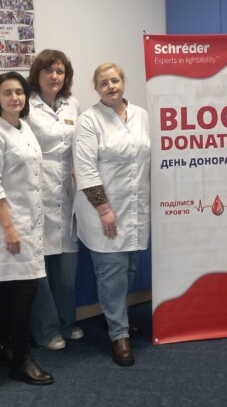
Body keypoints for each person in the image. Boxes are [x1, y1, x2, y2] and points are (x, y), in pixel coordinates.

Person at [0, 71, 53, 385]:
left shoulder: (25, 127)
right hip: (8, 223)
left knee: (11, 289)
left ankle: (0, 348)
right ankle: (20, 359)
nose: (14, 98)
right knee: (24, 289)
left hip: (30, 221)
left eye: (19, 92)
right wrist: (9, 227)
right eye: (7, 92)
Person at [73, 63, 151, 366]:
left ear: (124, 82)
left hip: (135, 207)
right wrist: (104, 209)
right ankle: (119, 334)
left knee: (129, 267)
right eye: (103, 83)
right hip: (103, 210)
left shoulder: (141, 115)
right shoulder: (89, 120)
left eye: (115, 80)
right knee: (111, 273)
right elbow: (85, 168)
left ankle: (118, 318)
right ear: (96, 88)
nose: (111, 86)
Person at [26, 49, 82, 350]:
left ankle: (67, 322)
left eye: (60, 71)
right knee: (41, 271)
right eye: (48, 70)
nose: (54, 76)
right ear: (37, 74)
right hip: (36, 188)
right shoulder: (27, 104)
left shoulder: (72, 104)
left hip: (68, 189)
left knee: (67, 268)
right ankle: (46, 331)